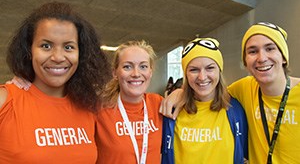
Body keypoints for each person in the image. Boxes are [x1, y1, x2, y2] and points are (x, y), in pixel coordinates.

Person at [160, 22, 300, 164]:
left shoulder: (236, 105)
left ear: (283, 57)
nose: (262, 58)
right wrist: (180, 92)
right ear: (245, 61)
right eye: (252, 51)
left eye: (270, 48)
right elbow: (208, 90)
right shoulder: (244, 89)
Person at [0, 2, 110, 163]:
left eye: (69, 47)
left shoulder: (89, 106)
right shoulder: (5, 101)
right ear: (29, 50)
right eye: (46, 46)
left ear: (81, 54)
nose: (58, 57)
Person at [161, 37, 248, 164]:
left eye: (210, 68)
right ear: (186, 75)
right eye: (194, 70)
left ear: (219, 70)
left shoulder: (235, 109)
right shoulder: (172, 111)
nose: (202, 77)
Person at [96, 40, 163, 164]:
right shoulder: (99, 109)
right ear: (115, 73)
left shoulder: (159, 104)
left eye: (143, 66)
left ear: (150, 72)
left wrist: (178, 94)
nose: (136, 74)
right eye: (127, 66)